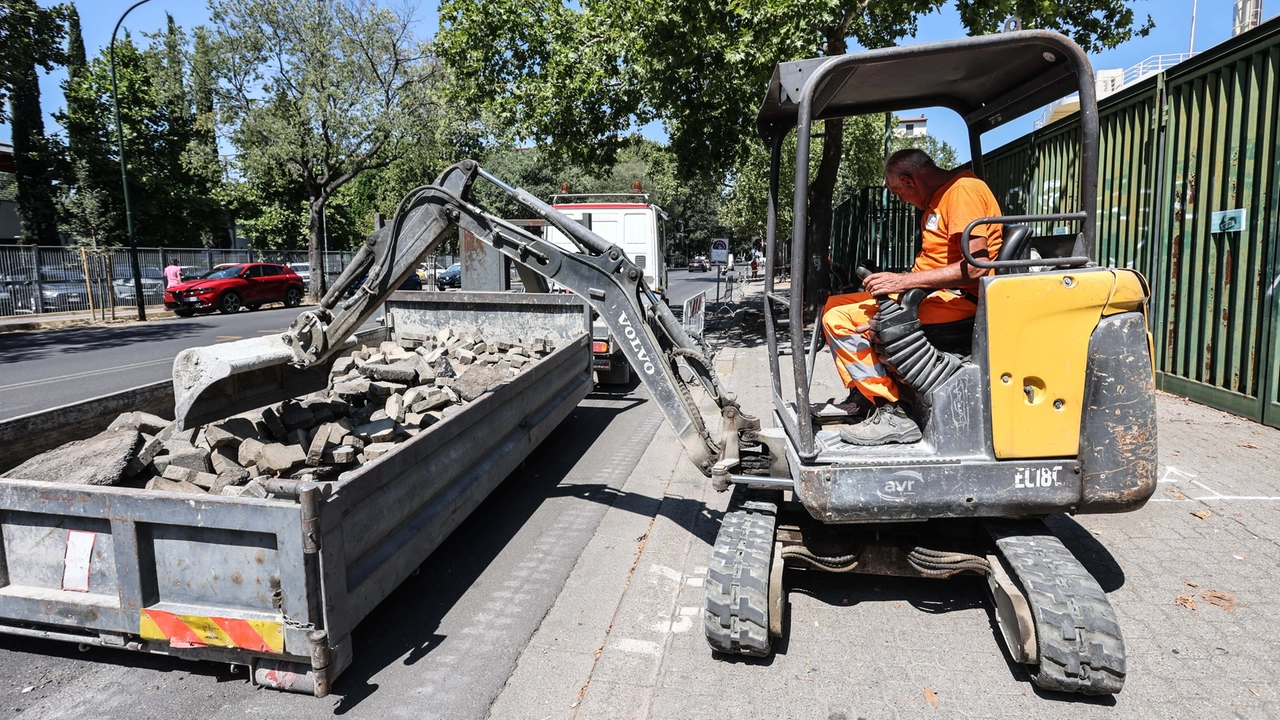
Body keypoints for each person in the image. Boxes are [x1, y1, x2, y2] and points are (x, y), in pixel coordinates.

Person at [823, 148, 1003, 446]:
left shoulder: (962, 192)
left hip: (957, 300)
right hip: (930, 294)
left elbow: (975, 268)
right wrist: (898, 284)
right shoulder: (939, 200)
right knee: (834, 304)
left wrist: (904, 281)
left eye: (898, 191)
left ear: (909, 180)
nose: (900, 199)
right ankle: (864, 390)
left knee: (838, 319)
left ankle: (892, 410)